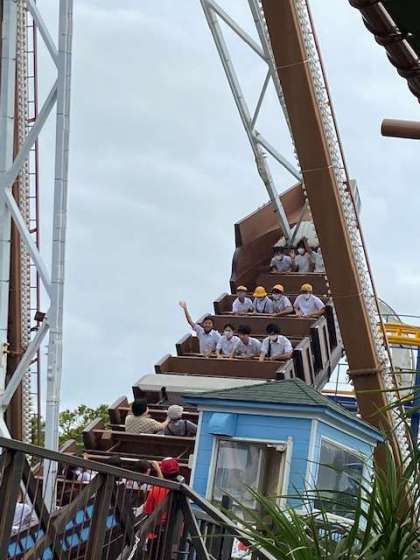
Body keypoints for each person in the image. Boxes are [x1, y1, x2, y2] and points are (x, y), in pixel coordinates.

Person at [143, 458, 183, 556]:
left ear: (163, 473)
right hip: (175, 534)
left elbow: (147, 511)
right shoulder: (183, 490)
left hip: (156, 534)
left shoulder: (156, 489)